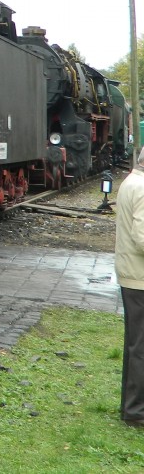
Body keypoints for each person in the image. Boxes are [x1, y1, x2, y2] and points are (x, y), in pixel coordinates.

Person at [116, 146, 144, 425]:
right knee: (141, 347)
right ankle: (136, 413)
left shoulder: (129, 182)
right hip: (140, 277)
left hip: (130, 273)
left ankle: (129, 407)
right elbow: (142, 237)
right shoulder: (143, 188)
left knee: (134, 344)